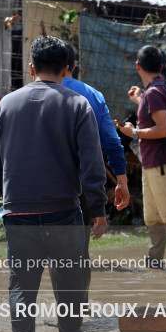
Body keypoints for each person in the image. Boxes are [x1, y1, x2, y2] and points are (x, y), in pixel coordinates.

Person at [0, 35, 107, 332]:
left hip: (18, 211)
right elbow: (91, 164)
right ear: (67, 68)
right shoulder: (77, 104)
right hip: (64, 211)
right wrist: (97, 209)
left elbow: (0, 164)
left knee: (21, 286)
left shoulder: (7, 104)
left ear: (32, 67)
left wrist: (10, 199)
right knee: (70, 286)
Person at [61, 42, 130, 302]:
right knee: (79, 248)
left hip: (41, 183)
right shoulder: (93, 95)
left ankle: (37, 320)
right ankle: (78, 307)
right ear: (73, 67)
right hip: (83, 182)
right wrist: (121, 182)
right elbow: (112, 144)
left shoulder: (24, 96)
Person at [116, 45, 166, 271]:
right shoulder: (155, 91)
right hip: (152, 164)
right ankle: (155, 260)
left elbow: (164, 129)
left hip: (160, 164)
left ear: (138, 66)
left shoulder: (155, 92)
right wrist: (140, 99)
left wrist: (134, 132)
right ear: (160, 67)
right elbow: (154, 114)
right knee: (152, 217)